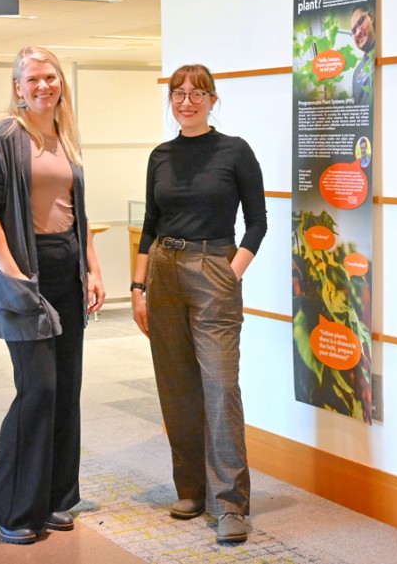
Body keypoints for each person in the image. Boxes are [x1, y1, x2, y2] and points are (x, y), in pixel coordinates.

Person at [0, 46, 105, 545]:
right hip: (26, 272)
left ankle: (54, 498)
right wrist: (12, 274)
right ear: (18, 87)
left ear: (60, 82)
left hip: (66, 270)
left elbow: (76, 211)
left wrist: (91, 268)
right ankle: (11, 507)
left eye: (50, 77)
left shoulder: (64, 136)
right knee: (39, 389)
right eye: (33, 79)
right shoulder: (7, 136)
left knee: (66, 388)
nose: (43, 86)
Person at [130, 64, 267, 544]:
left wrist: (231, 272)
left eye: (196, 93)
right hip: (163, 270)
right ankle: (190, 489)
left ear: (212, 100)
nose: (186, 102)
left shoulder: (235, 151)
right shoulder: (161, 156)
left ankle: (230, 503)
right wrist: (138, 286)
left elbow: (257, 222)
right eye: (178, 93)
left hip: (213, 268)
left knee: (220, 385)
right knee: (177, 385)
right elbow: (150, 224)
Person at [349, 5, 376, 105]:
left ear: (371, 17)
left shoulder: (385, 51)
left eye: (360, 22)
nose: (358, 32)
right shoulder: (357, 72)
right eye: (354, 31)